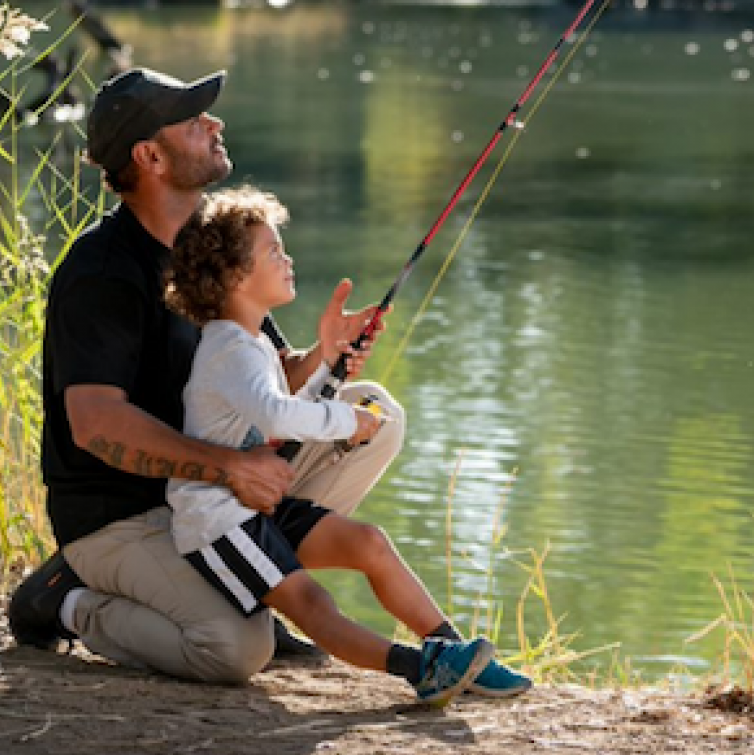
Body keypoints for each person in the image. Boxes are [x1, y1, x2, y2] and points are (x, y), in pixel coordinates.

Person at [6, 67, 529, 698]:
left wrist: (323, 357)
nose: (214, 123)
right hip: (120, 516)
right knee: (234, 649)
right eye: (194, 120)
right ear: (149, 156)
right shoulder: (101, 271)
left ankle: (273, 586)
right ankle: (69, 601)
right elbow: (96, 426)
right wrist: (227, 467)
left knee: (370, 411)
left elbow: (261, 380)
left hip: (214, 488)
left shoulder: (214, 244)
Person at [164, 185, 508, 703]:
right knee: (312, 602)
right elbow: (277, 413)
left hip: (252, 507)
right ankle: (422, 667)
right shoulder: (228, 349)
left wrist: (329, 363)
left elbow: (274, 419)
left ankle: (455, 654)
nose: (288, 259)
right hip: (218, 523)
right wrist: (346, 419)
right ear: (236, 277)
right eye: (273, 252)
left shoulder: (253, 342)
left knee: (368, 542)